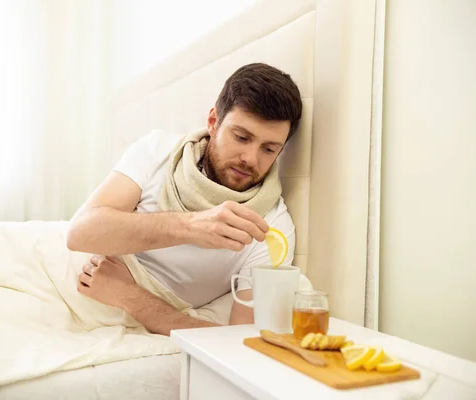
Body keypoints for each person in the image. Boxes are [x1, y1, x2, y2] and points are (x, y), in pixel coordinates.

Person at [66, 63, 303, 336]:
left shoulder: (272, 227)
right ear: (213, 122)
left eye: (269, 149)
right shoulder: (158, 150)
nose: (250, 158)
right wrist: (189, 226)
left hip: (109, 296)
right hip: (66, 266)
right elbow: (79, 233)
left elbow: (241, 344)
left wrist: (128, 295)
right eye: (241, 137)